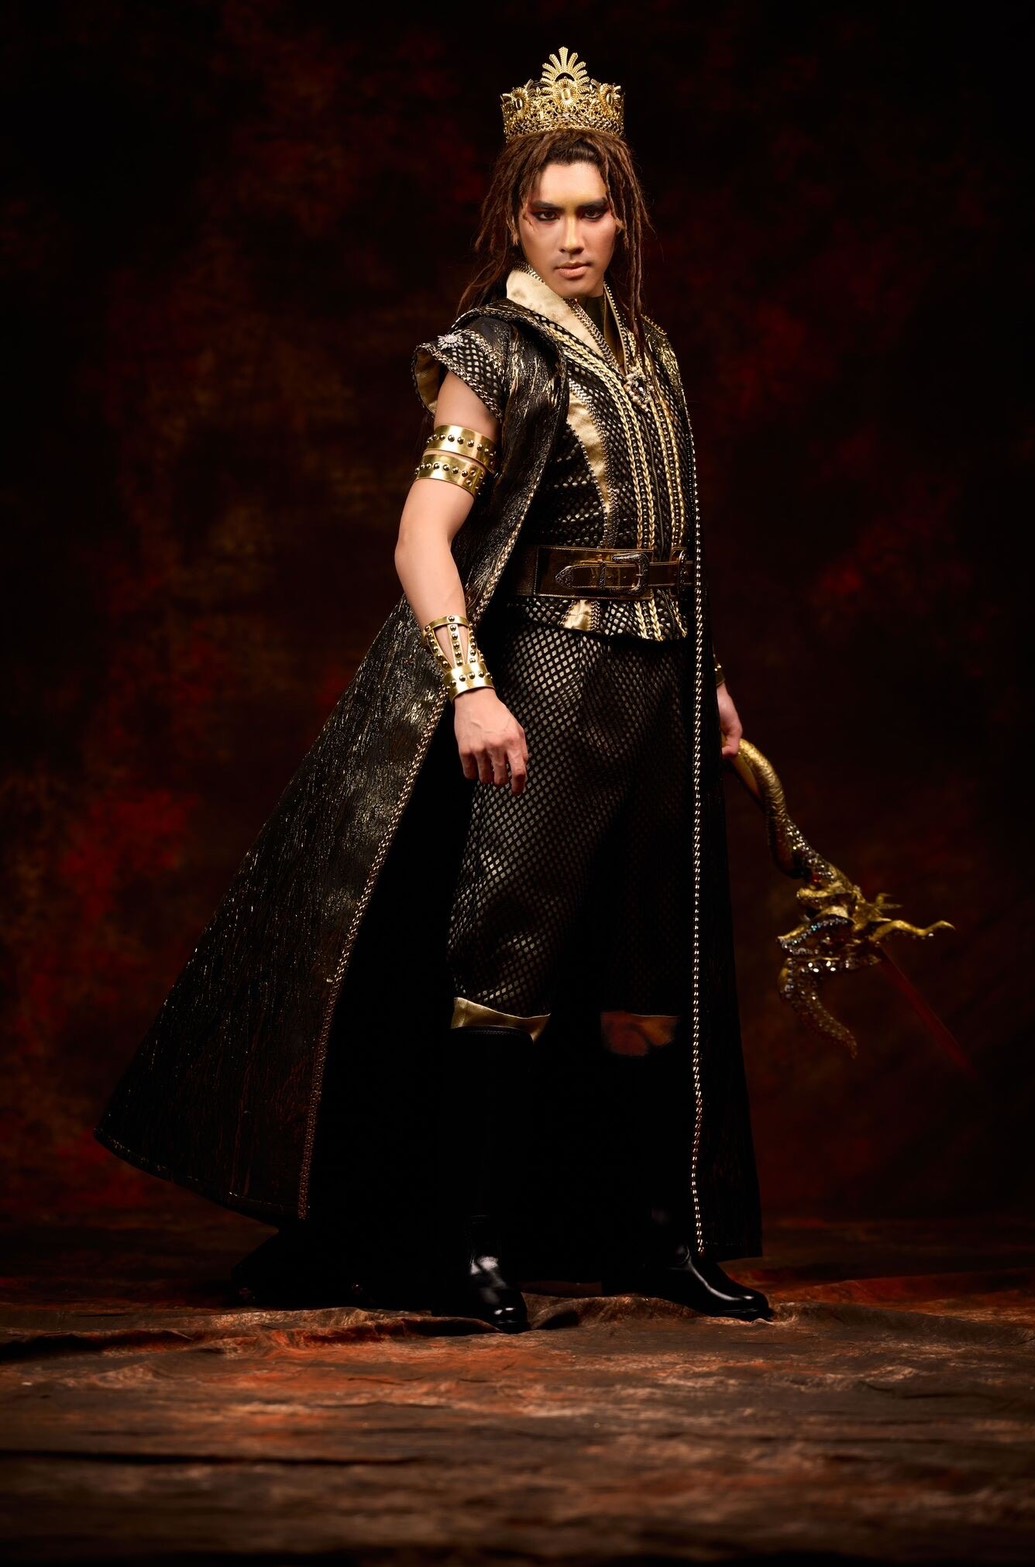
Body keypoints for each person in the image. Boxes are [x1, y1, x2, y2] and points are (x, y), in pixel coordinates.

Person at [96, 47, 770, 1334]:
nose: (572, 236)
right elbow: (421, 535)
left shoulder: (652, 353)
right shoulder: (493, 353)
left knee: (648, 969)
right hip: (551, 674)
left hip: (663, 683)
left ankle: (648, 1237)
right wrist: (472, 686)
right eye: (547, 212)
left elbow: (670, 541)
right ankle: (462, 1242)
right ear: (513, 219)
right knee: (502, 958)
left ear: (623, 214)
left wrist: (717, 681)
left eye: (592, 210)